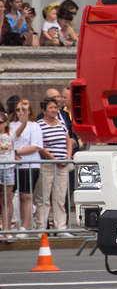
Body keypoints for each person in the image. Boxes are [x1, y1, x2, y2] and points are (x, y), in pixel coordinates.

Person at [9, 98, 52, 230]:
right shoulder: (10, 125)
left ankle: (24, 227)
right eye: (18, 109)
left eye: (23, 109)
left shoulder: (34, 125)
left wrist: (15, 152)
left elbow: (35, 146)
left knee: (26, 196)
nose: (20, 112)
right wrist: (11, 154)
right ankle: (10, 225)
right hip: (11, 165)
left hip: (29, 165)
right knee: (8, 197)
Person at [34, 96, 71, 231]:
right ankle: (41, 228)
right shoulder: (39, 125)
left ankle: (60, 228)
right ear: (44, 110)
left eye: (55, 107)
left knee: (60, 198)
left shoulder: (61, 123)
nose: (54, 110)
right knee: (43, 198)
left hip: (63, 165)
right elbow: (40, 146)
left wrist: (67, 157)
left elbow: (68, 141)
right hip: (47, 165)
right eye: (50, 108)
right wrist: (53, 159)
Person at [0, 105, 15, 240]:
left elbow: (21, 129)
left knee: (7, 200)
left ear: (5, 123)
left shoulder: (10, 134)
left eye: (0, 122)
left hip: (8, 167)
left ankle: (7, 229)